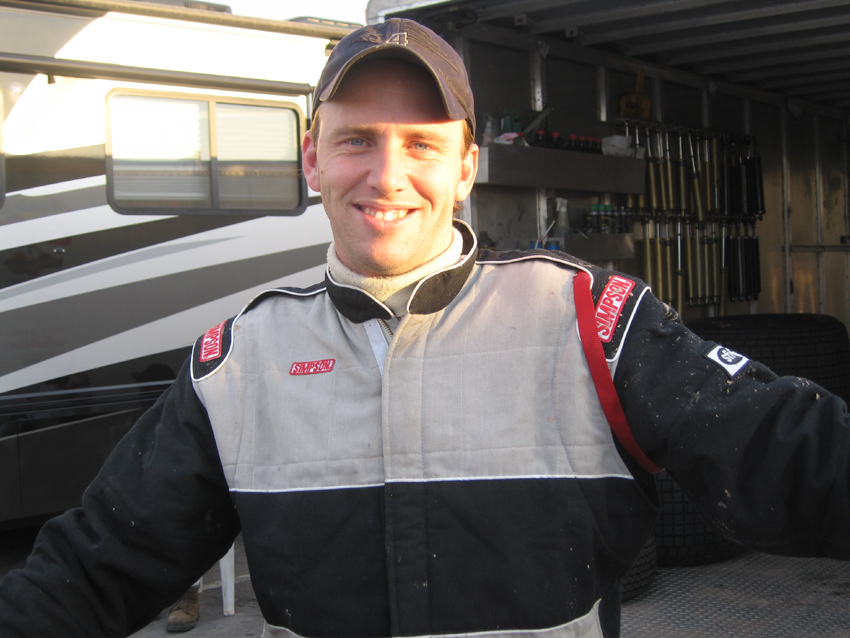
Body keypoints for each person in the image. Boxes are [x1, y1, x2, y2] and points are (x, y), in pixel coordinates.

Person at [1, 17, 850, 638]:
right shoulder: (239, 363)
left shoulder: (590, 320)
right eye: (357, 142)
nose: (387, 175)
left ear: (467, 166)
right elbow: (90, 568)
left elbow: (799, 457)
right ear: (312, 159)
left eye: (422, 144)